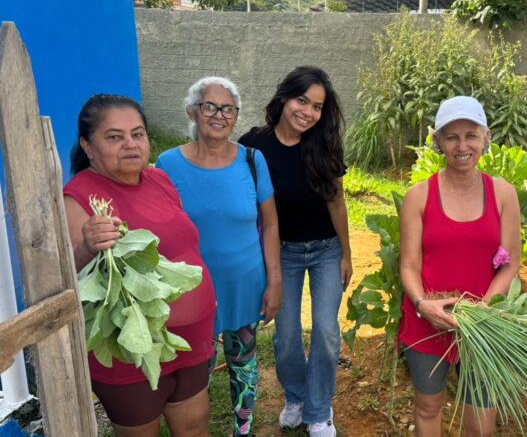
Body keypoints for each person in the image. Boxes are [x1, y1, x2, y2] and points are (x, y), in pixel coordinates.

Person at [63, 94, 216, 437]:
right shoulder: (80, 196)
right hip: (133, 350)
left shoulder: (158, 180)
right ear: (88, 146)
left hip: (188, 341)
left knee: (195, 424)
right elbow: (69, 280)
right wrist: (88, 247)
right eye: (114, 137)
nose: (130, 144)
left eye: (138, 133)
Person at [155, 76, 281, 437]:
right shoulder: (167, 164)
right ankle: (195, 428)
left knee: (243, 362)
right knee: (198, 369)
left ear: (235, 116)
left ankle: (243, 429)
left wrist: (274, 281)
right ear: (192, 112)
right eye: (209, 106)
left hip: (245, 283)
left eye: (227, 109)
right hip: (192, 290)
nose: (219, 115)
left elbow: (270, 225)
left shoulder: (253, 161)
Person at [397, 96, 521, 437]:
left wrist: (484, 308)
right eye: (452, 137)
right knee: (427, 407)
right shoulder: (419, 196)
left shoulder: (503, 193)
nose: (462, 145)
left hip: (484, 324)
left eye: (471, 135)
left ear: (486, 138)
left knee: (481, 414)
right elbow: (408, 265)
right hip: (428, 322)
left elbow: (510, 263)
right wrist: (423, 305)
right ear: (438, 142)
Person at [238, 66, 351, 437]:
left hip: (325, 251)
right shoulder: (254, 146)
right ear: (284, 98)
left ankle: (319, 411)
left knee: (325, 330)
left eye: (317, 106)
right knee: (285, 335)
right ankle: (297, 398)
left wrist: (347, 254)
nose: (308, 112)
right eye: (302, 100)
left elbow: (337, 202)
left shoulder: (322, 144)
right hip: (281, 252)